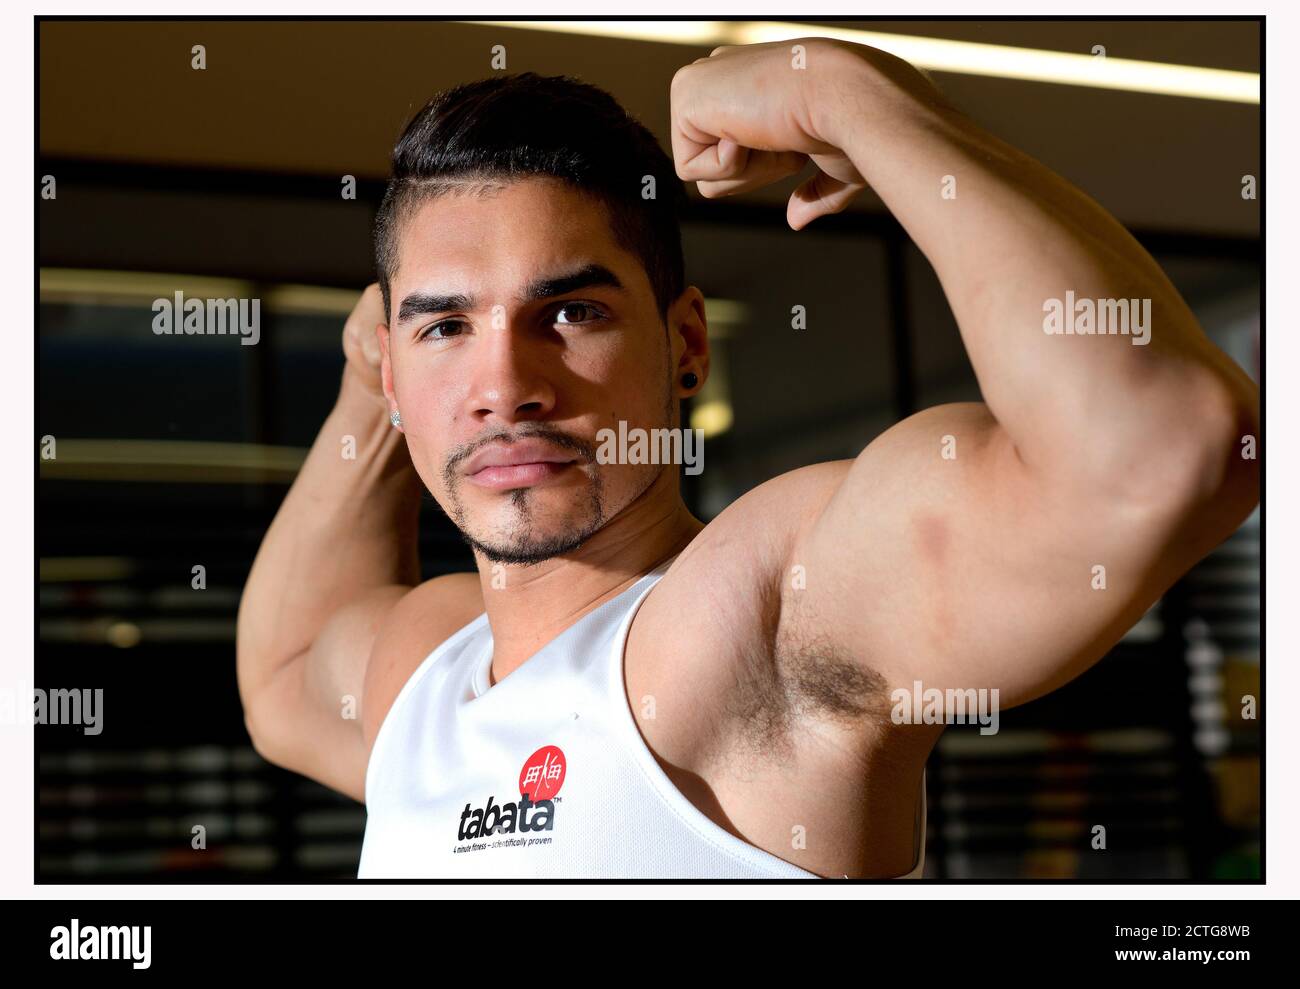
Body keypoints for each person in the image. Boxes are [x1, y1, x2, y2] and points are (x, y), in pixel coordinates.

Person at [235, 38, 1260, 879]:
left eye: (572, 311)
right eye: (446, 326)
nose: (504, 383)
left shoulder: (760, 607)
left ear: (685, 346)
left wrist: (843, 93)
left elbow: (1156, 447)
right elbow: (281, 674)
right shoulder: (427, 662)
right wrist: (372, 380)